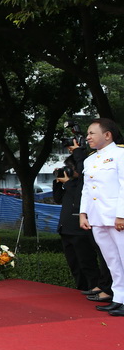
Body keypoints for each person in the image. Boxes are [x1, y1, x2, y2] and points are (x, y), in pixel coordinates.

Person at [52, 147, 113, 302]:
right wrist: (58, 182)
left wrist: (68, 183)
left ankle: (96, 287)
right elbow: (58, 199)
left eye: (70, 168)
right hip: (65, 229)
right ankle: (81, 288)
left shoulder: (83, 183)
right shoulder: (70, 184)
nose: (68, 171)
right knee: (74, 265)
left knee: (87, 263)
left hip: (80, 230)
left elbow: (79, 199)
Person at [79, 118, 124, 317]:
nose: (87, 137)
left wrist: (121, 215)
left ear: (107, 135)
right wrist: (83, 214)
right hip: (97, 217)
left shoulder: (120, 155)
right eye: (87, 133)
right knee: (112, 260)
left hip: (116, 217)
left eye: (91, 133)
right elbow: (87, 190)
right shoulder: (89, 160)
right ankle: (119, 298)